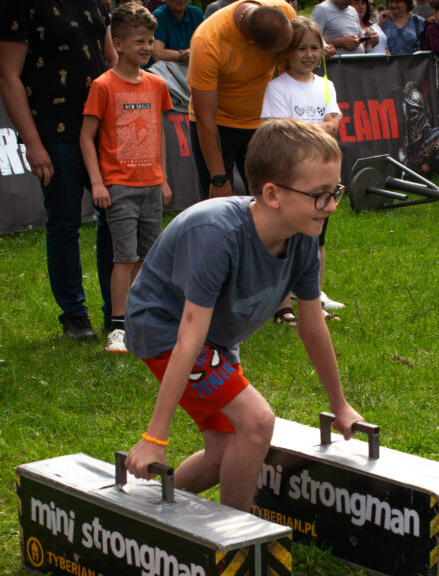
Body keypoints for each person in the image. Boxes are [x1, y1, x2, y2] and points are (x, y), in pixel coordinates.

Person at [123, 118, 364, 512]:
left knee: (223, 454)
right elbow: (189, 333)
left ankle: (145, 512)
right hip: (164, 328)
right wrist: (156, 436)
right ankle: (238, 539)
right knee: (255, 423)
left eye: (335, 191)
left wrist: (340, 406)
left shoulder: (302, 238)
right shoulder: (216, 234)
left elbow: (312, 325)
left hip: (213, 339)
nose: (333, 205)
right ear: (272, 194)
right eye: (320, 195)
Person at [0, 0, 118, 341]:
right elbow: (7, 75)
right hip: (55, 130)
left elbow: (110, 58)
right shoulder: (19, 6)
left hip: (100, 126)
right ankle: (75, 318)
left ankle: (118, 314)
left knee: (114, 218)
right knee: (64, 223)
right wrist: (32, 141)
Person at [80, 3, 173, 353]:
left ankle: (142, 320)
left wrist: (162, 178)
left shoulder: (157, 84)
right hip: (119, 186)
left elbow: (160, 134)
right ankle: (117, 326)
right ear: (117, 43)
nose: (147, 47)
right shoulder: (103, 86)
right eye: (139, 41)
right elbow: (86, 137)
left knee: (150, 259)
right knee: (125, 257)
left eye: (150, 40)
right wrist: (98, 182)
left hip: (151, 184)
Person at [261, 17, 343, 325]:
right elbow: (278, 132)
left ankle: (314, 298)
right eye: (301, 49)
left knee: (316, 240)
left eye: (314, 48)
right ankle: (282, 306)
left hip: (321, 177)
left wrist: (310, 128)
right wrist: (316, 128)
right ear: (286, 53)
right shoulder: (277, 88)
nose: (308, 55)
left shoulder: (326, 85)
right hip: (291, 178)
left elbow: (333, 125)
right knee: (287, 239)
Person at [187, 0, 296, 200]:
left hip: (261, 122)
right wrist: (218, 178)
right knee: (217, 204)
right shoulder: (207, 41)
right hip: (218, 124)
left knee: (270, 199)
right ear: (252, 43)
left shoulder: (284, 10)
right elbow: (205, 117)